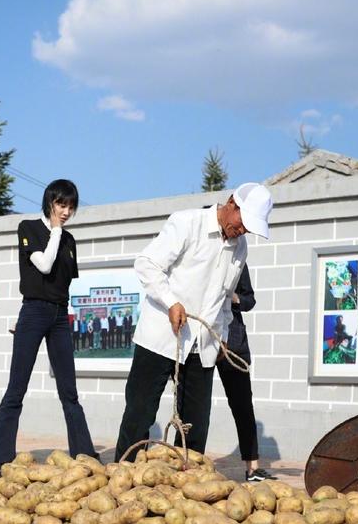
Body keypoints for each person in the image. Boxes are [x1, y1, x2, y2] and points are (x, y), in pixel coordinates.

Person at [114, 183, 273, 462]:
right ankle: (123, 474)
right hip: (161, 337)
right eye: (243, 223)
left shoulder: (240, 248)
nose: (243, 230)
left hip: (203, 345)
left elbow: (224, 298)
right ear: (231, 204)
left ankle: (187, 486)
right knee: (139, 414)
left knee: (196, 424)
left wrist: (221, 334)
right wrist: (171, 301)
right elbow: (146, 264)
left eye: (250, 228)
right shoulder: (186, 222)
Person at [0, 179, 97, 480]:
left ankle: (86, 456)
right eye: (61, 204)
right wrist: (56, 230)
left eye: (71, 206)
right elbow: (44, 266)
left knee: (69, 392)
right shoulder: (29, 228)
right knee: (15, 390)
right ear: (50, 202)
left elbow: (64, 282)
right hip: (33, 311)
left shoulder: (70, 241)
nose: (66, 211)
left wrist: (61, 233)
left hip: (60, 316)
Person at [217, 265, 276, 481]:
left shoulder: (237, 260)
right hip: (199, 335)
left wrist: (233, 297)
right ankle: (187, 463)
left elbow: (249, 300)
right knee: (192, 403)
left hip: (233, 340)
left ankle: (253, 467)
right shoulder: (199, 252)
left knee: (242, 404)